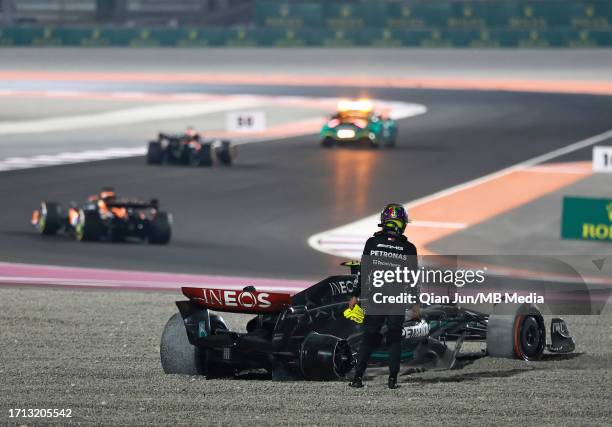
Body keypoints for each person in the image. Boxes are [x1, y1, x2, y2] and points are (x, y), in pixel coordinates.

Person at [348, 203, 418, 389]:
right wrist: (415, 304)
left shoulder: (372, 243)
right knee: (394, 339)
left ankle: (357, 379)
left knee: (369, 337)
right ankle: (392, 381)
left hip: (376, 297)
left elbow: (363, 272)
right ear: (401, 223)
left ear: (384, 221)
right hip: (396, 299)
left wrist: (355, 295)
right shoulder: (409, 248)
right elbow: (412, 280)